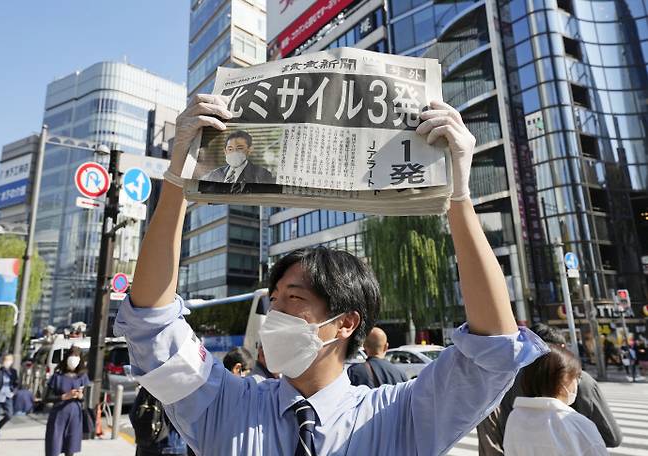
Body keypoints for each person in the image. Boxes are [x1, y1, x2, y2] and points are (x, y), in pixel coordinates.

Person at [114, 94, 548, 455]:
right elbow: (152, 325)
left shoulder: (400, 414)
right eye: (275, 300)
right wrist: (175, 181)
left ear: (345, 322)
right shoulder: (224, 402)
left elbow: (493, 347)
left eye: (295, 299)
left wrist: (460, 196)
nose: (275, 316)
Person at [477, 323, 622, 454]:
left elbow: (495, 438)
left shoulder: (507, 382)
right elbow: (612, 437)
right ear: (562, 351)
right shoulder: (580, 387)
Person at [503, 343, 607, 455]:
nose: (576, 383)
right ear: (565, 380)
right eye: (576, 377)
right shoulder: (578, 424)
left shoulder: (515, 417)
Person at [44, 346, 89, 456]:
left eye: (76, 356)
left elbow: (86, 399)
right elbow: (46, 398)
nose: (74, 358)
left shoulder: (82, 376)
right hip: (58, 414)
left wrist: (80, 396)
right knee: (53, 447)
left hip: (75, 415)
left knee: (70, 448)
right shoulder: (57, 376)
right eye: (72, 355)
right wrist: (63, 397)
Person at [130, 387, 188, 456]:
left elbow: (134, 415)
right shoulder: (186, 387)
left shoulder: (150, 384)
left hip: (148, 444)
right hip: (176, 446)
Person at [200, 130, 275, 184]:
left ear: (249, 150)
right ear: (225, 151)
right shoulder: (213, 174)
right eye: (230, 149)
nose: (234, 152)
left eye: (239, 148)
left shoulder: (262, 175)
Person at [0, 354, 18, 444]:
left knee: (9, 415)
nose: (8, 362)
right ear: (3, 361)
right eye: (7, 360)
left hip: (8, 396)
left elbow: (16, 384)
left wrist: (14, 392)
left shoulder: (13, 372)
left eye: (10, 360)